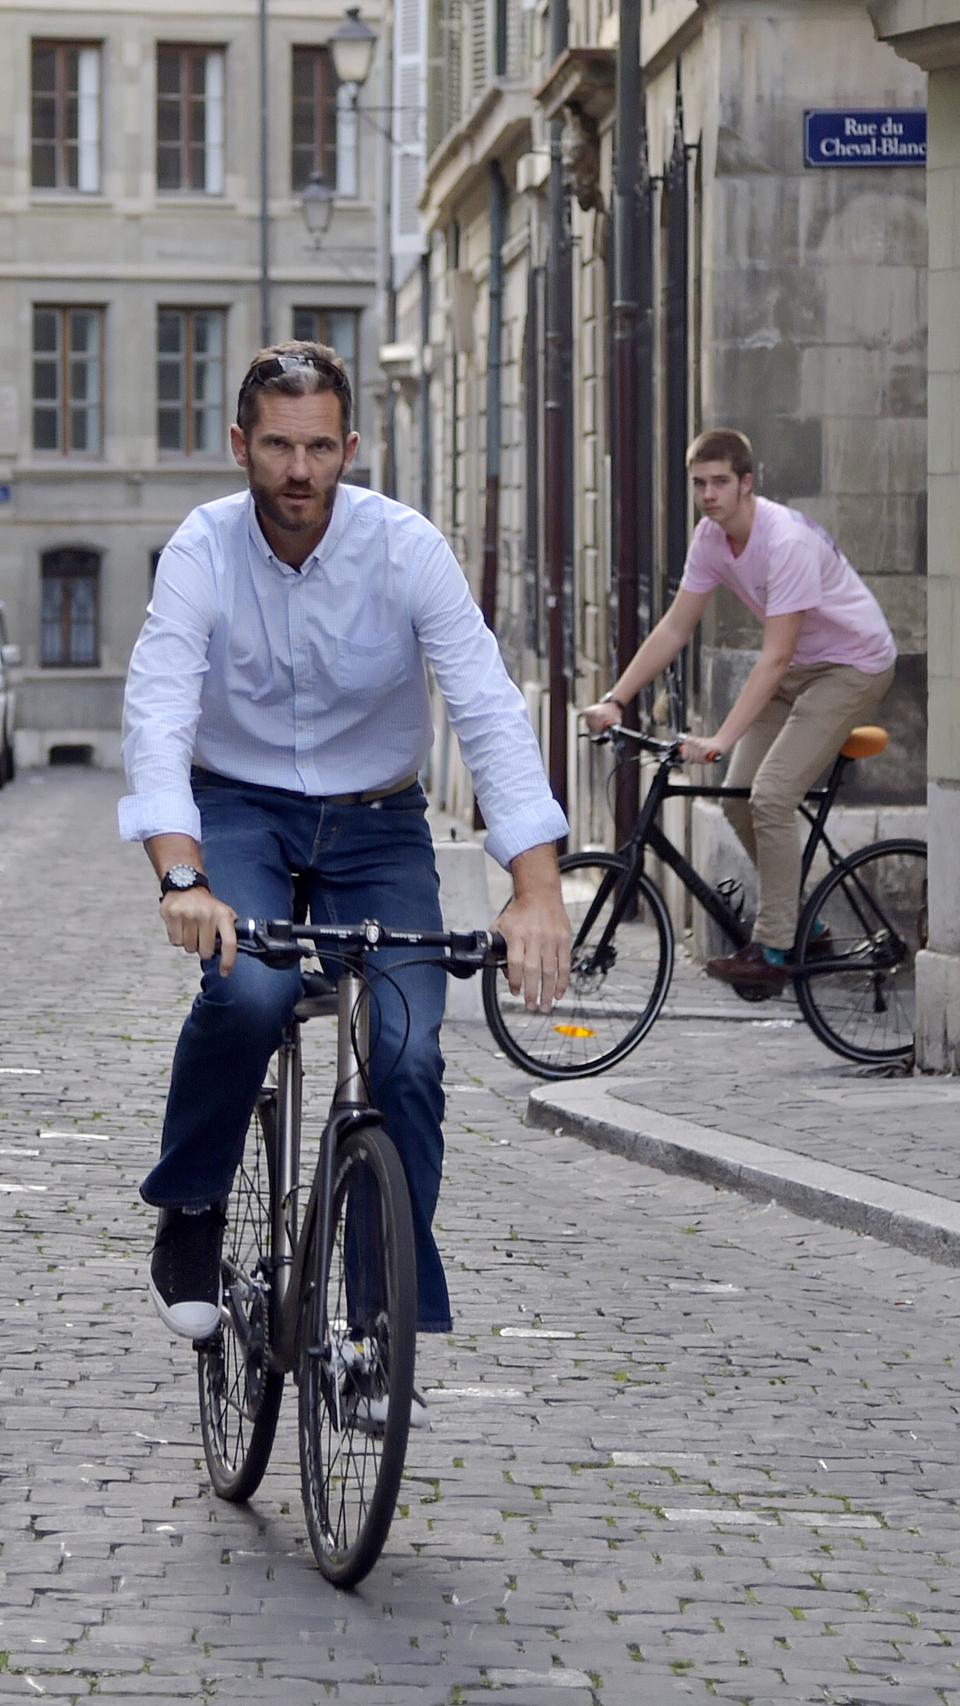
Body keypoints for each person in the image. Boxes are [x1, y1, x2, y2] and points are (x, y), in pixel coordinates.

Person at [120, 341, 571, 1417]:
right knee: (254, 987)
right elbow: (158, 709)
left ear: (350, 448)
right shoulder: (201, 549)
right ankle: (188, 1206)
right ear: (241, 446)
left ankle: (378, 1335)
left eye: (321, 446)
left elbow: (487, 708)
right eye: (277, 445)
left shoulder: (404, 548)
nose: (300, 469)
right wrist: (182, 872)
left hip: (378, 825)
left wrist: (537, 886)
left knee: (409, 1052)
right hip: (237, 809)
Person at [582, 427, 896, 995]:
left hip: (852, 665)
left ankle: (774, 947)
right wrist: (616, 697)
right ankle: (808, 925)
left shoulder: (786, 542)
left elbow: (773, 659)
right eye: (699, 483)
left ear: (746, 484)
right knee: (738, 796)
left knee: (772, 794)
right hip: (800, 665)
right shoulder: (709, 538)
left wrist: (720, 736)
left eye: (720, 482)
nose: (708, 494)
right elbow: (675, 627)